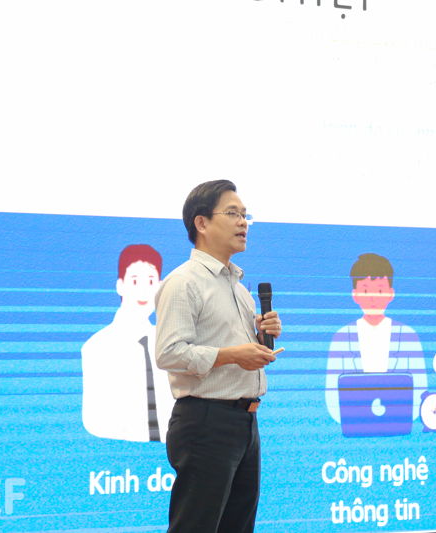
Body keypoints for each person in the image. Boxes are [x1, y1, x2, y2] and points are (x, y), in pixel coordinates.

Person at [155, 180, 281, 533]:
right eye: (232, 213)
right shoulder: (184, 282)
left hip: (245, 422)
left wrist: (260, 337)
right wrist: (232, 355)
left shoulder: (239, 289)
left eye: (245, 215)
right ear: (202, 223)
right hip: (206, 422)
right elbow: (169, 353)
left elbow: (231, 349)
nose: (243, 223)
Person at [81, 244, 173, 442]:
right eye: (135, 281)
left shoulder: (168, 342)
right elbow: (94, 422)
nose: (143, 290)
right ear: (120, 285)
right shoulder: (97, 347)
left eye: (151, 281)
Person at [325, 253, 427, 423]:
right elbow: (332, 393)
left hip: (399, 426)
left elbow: (420, 389)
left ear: (391, 294)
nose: (373, 298)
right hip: (354, 426)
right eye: (366, 290)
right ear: (355, 294)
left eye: (379, 290)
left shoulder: (408, 336)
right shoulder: (341, 338)